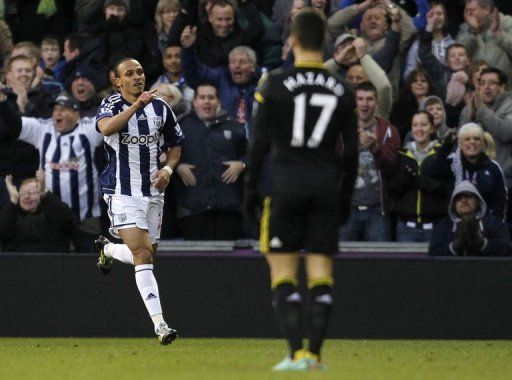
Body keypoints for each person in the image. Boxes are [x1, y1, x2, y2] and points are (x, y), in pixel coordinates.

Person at [244, 9, 358, 370]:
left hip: (285, 185)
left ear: (291, 41)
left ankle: (296, 354)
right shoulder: (343, 88)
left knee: (283, 273)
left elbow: (257, 146)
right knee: (321, 273)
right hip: (324, 186)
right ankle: (317, 357)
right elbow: (352, 152)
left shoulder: (274, 83)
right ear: (324, 41)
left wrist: (250, 192)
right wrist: (344, 198)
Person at [95, 58, 184, 345]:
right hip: (121, 191)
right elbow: (107, 129)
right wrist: (137, 106)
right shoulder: (111, 104)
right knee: (143, 253)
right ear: (118, 81)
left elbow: (175, 145)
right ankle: (161, 325)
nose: (137, 77)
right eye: (129, 74)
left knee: (145, 254)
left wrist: (169, 169)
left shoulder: (161, 107)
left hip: (153, 192)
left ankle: (108, 250)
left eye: (140, 72)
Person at [0, 91, 103, 253]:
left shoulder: (89, 129)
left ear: (76, 114)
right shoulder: (43, 129)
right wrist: (3, 101)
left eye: (64, 109)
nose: (57, 113)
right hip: (52, 217)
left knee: (92, 266)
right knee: (55, 266)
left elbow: (112, 122)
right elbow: (15, 125)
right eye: (55, 109)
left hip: (87, 217)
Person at [175, 82, 247, 240]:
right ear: (195, 102)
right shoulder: (180, 127)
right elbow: (162, 156)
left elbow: (252, 155)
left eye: (211, 97)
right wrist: (177, 167)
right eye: (202, 97)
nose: (206, 101)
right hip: (192, 210)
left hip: (228, 209)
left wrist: (241, 164)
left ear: (218, 101)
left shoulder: (235, 126)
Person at [340, 81, 400, 242]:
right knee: (342, 263)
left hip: (377, 209)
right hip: (347, 208)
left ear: (377, 102)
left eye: (369, 99)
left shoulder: (388, 131)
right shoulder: (342, 129)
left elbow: (391, 169)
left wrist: (375, 149)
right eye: (360, 99)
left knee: (380, 264)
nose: (364, 104)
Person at [424, 122, 507, 221]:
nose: (472, 142)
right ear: (460, 144)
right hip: (455, 225)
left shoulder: (493, 167)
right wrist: (447, 146)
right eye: (467, 139)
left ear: (482, 143)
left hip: (486, 227)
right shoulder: (452, 165)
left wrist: (495, 226)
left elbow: (500, 201)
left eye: (476, 138)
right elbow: (432, 172)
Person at [388, 111, 448, 242]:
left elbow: (445, 187)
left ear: (432, 128)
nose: (419, 129)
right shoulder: (401, 155)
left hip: (435, 227)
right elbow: (393, 190)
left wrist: (417, 180)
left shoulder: (442, 154)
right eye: (415, 125)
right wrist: (404, 179)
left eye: (424, 124)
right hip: (406, 228)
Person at [429, 180, 511, 256]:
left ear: (478, 201)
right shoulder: (444, 226)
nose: (464, 200)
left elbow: (507, 249)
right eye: (459, 198)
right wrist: (455, 247)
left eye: (468, 196)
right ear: (453, 204)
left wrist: (482, 244)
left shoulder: (493, 223)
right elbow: (433, 253)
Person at [0, 174, 78, 253]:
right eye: (22, 193)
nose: (26, 196)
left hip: (51, 263)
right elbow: (2, 231)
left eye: (32, 193)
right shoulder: (12, 215)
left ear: (41, 194)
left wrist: (46, 194)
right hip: (15, 263)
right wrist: (13, 202)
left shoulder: (52, 213)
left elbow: (67, 220)